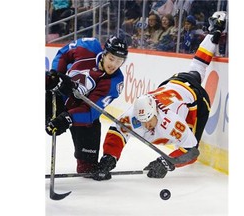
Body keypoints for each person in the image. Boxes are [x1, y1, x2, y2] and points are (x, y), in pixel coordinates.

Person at [90, 11, 227, 180]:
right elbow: (117, 131)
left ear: (156, 112)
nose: (147, 125)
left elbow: (191, 151)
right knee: (197, 69)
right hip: (173, 84)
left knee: (192, 145)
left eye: (150, 120)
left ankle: (215, 32)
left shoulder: (171, 122)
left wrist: (166, 162)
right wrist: (109, 157)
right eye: (143, 121)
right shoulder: (133, 114)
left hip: (196, 100)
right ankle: (214, 33)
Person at [45, 35, 128, 173]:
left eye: (119, 61)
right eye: (111, 58)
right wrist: (57, 75)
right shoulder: (88, 47)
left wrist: (67, 118)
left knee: (88, 169)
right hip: (58, 96)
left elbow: (90, 111)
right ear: (104, 53)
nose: (113, 65)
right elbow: (64, 54)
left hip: (81, 114)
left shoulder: (115, 82)